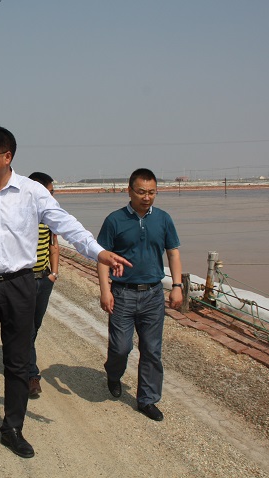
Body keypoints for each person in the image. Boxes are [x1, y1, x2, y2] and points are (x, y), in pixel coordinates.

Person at [0, 125, 131, 458]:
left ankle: (12, 427)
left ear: (7, 156)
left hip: (20, 284)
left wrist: (98, 252)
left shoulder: (32, 192)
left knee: (18, 361)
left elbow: (65, 223)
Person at [96, 168, 183, 422]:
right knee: (121, 347)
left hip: (153, 294)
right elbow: (102, 258)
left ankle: (147, 399)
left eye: (152, 192)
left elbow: (173, 252)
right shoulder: (114, 220)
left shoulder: (164, 219)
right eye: (142, 192)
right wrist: (105, 291)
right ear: (129, 191)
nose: (147, 197)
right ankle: (113, 374)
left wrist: (177, 286)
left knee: (152, 350)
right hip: (123, 294)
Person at [26, 172, 59, 398]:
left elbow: (53, 244)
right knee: (27, 328)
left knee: (34, 326)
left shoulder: (50, 216)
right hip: (23, 280)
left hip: (44, 279)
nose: (51, 197)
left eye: (53, 193)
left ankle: (21, 357)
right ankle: (31, 375)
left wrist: (53, 273)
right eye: (48, 193)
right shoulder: (21, 214)